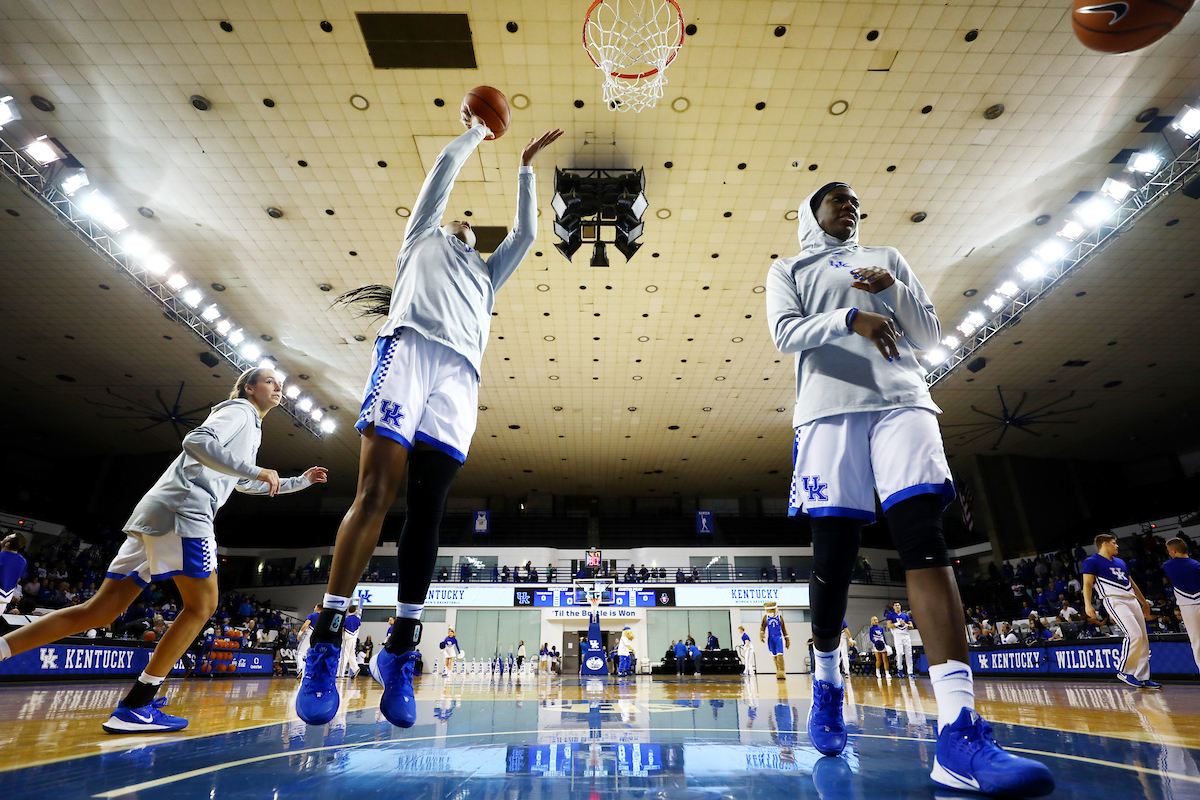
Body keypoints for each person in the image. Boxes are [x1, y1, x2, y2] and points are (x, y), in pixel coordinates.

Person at [766, 182, 1052, 795]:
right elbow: (785, 335)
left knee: (924, 536)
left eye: (856, 202)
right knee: (834, 561)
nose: (851, 206)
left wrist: (890, 291)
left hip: (902, 399)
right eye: (838, 199)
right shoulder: (787, 268)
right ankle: (826, 679)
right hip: (827, 411)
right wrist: (850, 316)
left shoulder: (888, 259)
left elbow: (926, 336)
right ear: (810, 213)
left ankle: (958, 730)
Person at [294, 112, 562, 729]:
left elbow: (525, 235)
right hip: (409, 351)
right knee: (375, 494)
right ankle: (328, 639)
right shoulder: (420, 239)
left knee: (429, 513)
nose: (463, 219)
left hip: (460, 378)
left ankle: (401, 648)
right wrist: (475, 134)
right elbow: (441, 174)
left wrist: (524, 167)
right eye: (456, 217)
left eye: (471, 223)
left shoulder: (489, 276)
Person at [0, 368, 326, 733]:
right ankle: (138, 703)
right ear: (249, 388)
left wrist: (297, 481)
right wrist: (255, 468)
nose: (277, 386)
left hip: (157, 514)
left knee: (98, 611)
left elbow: (242, 482)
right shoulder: (239, 410)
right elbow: (196, 441)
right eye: (269, 380)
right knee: (202, 606)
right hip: (184, 512)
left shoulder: (250, 425)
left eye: (279, 383)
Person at [1082, 533, 1161, 689]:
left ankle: (1143, 676)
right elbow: (1087, 584)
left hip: (1131, 599)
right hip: (1114, 599)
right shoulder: (1091, 561)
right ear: (1104, 544)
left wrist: (1144, 602)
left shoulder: (1120, 562)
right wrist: (1088, 605)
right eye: (1114, 543)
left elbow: (1132, 584)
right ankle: (1125, 671)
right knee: (1134, 635)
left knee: (1144, 638)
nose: (1117, 546)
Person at [1163, 537, 1200, 671]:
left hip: (1188, 607)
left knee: (1196, 641)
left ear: (1173, 551)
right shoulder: (1196, 565)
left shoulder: (1167, 566)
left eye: (1168, 551)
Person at [760, 601, 789, 680]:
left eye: (772, 610)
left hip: (778, 638)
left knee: (780, 655)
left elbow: (784, 629)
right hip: (770, 639)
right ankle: (778, 671)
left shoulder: (780, 617)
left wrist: (787, 639)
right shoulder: (766, 618)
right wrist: (761, 635)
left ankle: (782, 671)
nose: (770, 612)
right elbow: (762, 627)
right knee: (774, 657)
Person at [886, 602, 916, 679]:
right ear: (893, 607)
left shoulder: (905, 615)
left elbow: (911, 626)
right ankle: (900, 668)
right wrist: (897, 623)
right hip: (897, 636)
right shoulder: (891, 615)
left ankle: (910, 672)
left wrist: (905, 625)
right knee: (899, 653)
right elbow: (889, 625)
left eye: (899, 605)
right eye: (896, 605)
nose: (897, 606)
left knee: (909, 654)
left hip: (906, 635)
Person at [0, 532, 27, 614]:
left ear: (7, 544)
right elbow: (18, 579)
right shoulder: (23, 561)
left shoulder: (1, 556)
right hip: (4, 600)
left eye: (7, 536)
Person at [338, 603, 362, 678]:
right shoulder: (357, 619)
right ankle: (355, 668)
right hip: (354, 638)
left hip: (347, 638)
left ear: (348, 611)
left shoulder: (346, 619)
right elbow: (358, 628)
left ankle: (340, 674)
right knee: (352, 655)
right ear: (355, 611)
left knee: (344, 655)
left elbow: (342, 628)